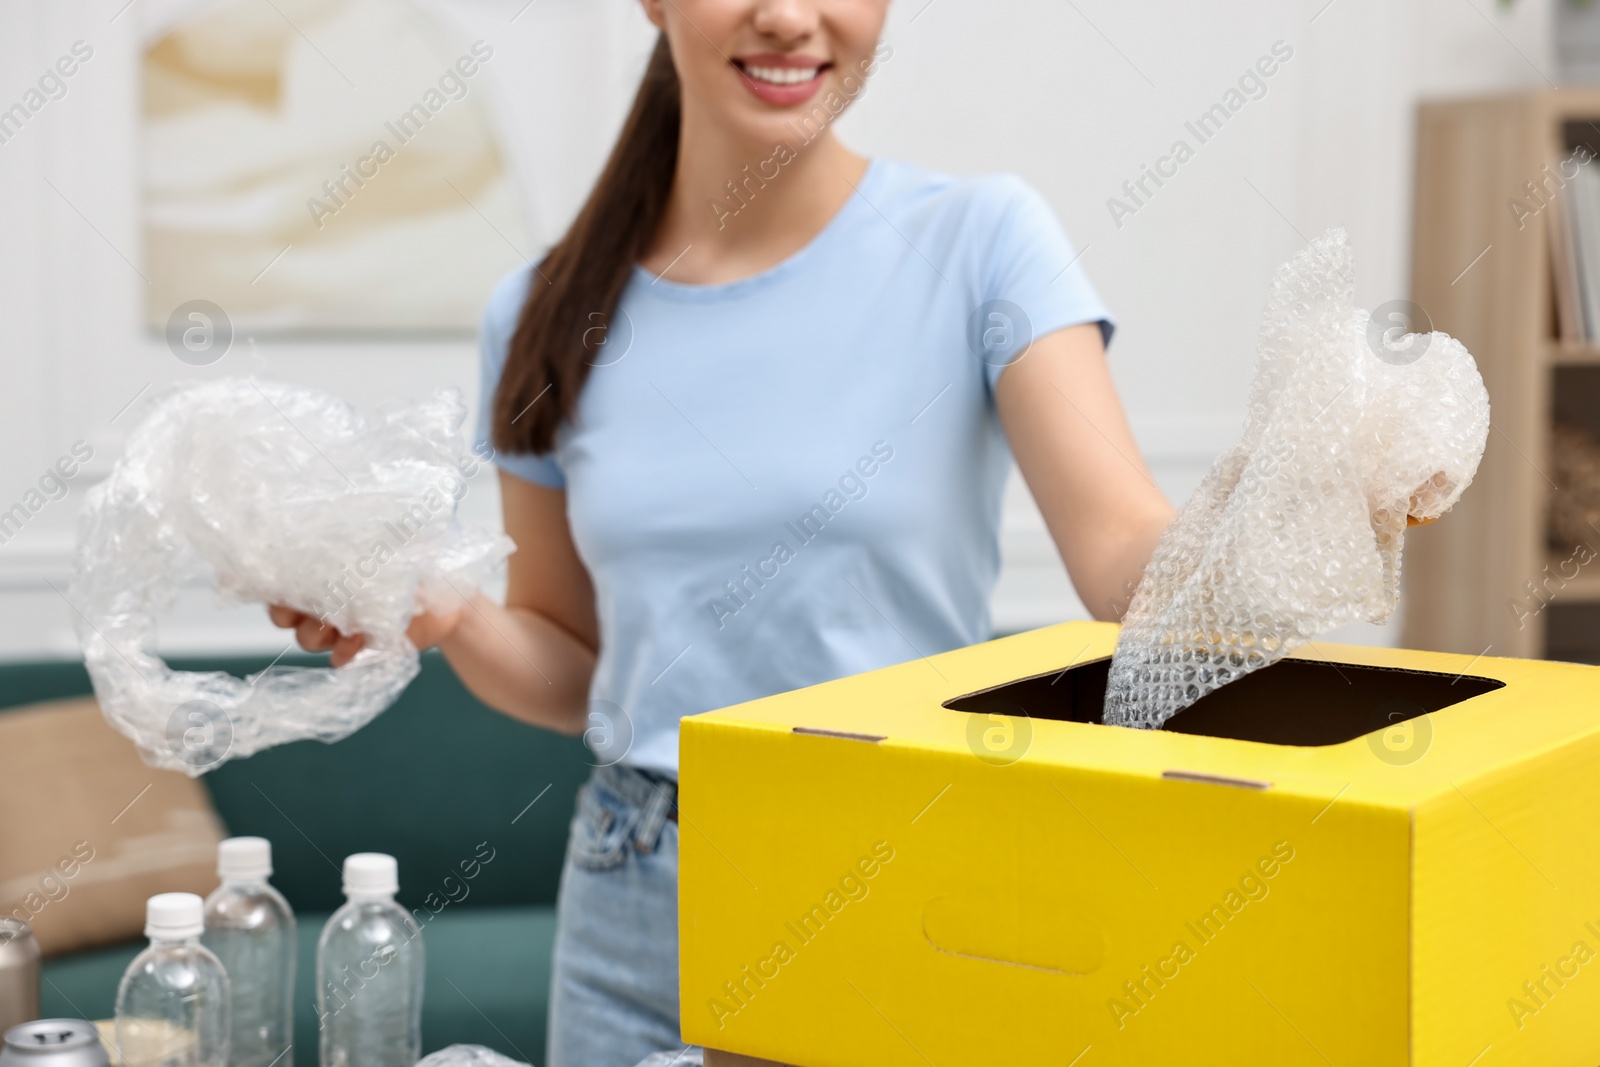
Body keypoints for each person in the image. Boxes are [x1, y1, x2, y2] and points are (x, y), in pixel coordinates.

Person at [271, 0, 1173, 1063]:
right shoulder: (544, 308)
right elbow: (576, 669)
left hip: (899, 877)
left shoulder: (980, 242)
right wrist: (452, 609)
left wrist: (1301, 504)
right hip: (633, 891)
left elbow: (1123, 558)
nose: (788, 16)